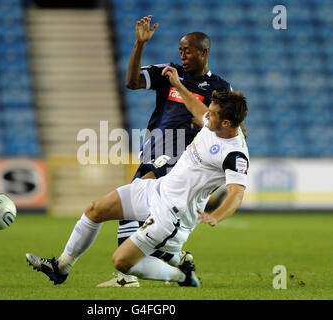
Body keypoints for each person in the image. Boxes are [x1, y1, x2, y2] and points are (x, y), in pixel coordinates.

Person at [25, 76, 249, 287]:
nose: (207, 115)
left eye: (213, 113)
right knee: (95, 210)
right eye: (209, 111)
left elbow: (236, 193)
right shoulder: (213, 121)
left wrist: (216, 216)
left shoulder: (234, 154)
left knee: (122, 262)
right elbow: (195, 107)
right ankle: (61, 267)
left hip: (172, 215)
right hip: (157, 190)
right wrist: (179, 86)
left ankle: (181, 275)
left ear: (227, 123)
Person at [99, 15, 237, 287]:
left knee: (131, 204)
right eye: (180, 51)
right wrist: (139, 45)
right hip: (153, 152)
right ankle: (177, 260)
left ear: (204, 52)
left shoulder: (220, 88)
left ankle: (134, 274)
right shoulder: (169, 71)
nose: (183, 55)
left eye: (188, 50)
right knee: (141, 215)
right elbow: (133, 82)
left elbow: (227, 126)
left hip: (179, 158)